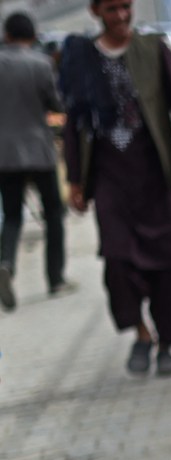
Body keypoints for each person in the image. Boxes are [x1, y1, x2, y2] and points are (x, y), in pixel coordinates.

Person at [61, 0, 171, 376]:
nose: (120, 16)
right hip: (109, 180)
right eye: (111, 9)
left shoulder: (153, 50)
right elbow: (74, 121)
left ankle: (167, 343)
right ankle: (140, 332)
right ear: (95, 11)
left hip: (154, 175)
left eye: (125, 7)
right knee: (118, 260)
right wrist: (74, 180)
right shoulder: (81, 58)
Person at [0, 12, 70, 311]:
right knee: (53, 212)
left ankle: (6, 263)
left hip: (5, 153)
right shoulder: (41, 64)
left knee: (13, 215)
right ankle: (55, 278)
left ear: (6, 34)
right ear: (31, 34)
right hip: (38, 149)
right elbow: (56, 104)